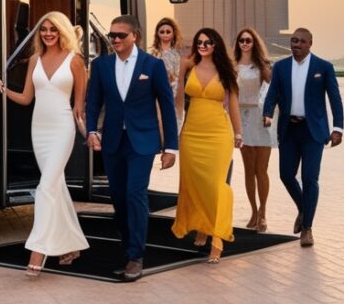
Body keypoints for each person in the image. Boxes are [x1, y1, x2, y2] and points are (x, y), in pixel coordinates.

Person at [0, 11, 88, 276]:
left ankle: (38, 250)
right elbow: (26, 98)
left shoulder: (75, 61)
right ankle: (72, 245)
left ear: (62, 31)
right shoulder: (35, 59)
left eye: (53, 29)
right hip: (39, 129)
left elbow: (79, 108)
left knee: (45, 188)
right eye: (43, 29)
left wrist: (89, 134)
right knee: (56, 186)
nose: (47, 34)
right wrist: (2, 88)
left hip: (63, 127)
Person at [84, 15, 178, 281]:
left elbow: (167, 107)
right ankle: (128, 251)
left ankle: (136, 257)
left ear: (134, 36)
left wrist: (171, 147)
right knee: (119, 198)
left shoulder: (153, 65)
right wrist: (92, 131)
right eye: (111, 35)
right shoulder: (101, 65)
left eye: (120, 35)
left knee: (135, 193)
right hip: (113, 141)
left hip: (143, 142)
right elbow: (94, 102)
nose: (114, 39)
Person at [263, 27, 344, 248]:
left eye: (300, 41)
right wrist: (267, 113)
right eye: (293, 41)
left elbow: (335, 99)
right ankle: (304, 207)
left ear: (310, 43)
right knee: (286, 175)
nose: (296, 44)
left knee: (310, 178)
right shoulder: (280, 67)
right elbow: (273, 93)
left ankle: (307, 228)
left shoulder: (324, 67)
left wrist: (338, 128)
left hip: (313, 131)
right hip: (289, 130)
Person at [172, 27, 241, 262]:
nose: (203, 45)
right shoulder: (188, 66)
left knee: (215, 185)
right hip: (191, 132)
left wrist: (239, 133)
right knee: (194, 183)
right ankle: (202, 226)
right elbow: (179, 102)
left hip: (219, 134)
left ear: (216, 45)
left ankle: (218, 238)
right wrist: (181, 72)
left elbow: (233, 104)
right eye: (199, 42)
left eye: (208, 42)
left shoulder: (226, 71)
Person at [233, 27, 275, 232]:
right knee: (249, 170)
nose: (245, 43)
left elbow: (274, 89)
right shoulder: (232, 66)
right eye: (241, 40)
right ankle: (253, 211)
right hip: (241, 119)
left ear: (254, 42)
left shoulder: (263, 65)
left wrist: (271, 113)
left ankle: (264, 213)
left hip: (260, 118)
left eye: (248, 40)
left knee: (262, 170)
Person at [148, 17, 185, 125]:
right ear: (157, 34)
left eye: (168, 32)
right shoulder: (152, 53)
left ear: (173, 34)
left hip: (172, 91)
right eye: (162, 32)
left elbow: (178, 76)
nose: (165, 34)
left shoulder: (176, 55)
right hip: (153, 92)